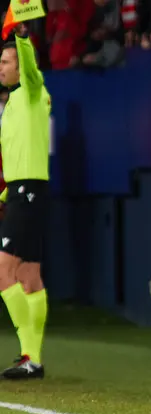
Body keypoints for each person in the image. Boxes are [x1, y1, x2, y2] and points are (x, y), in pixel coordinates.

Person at [0, 24, 52, 380]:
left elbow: (32, 67)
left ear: (21, 66)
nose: (0, 67)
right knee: (29, 277)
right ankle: (32, 358)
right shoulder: (14, 101)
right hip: (23, 191)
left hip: (28, 192)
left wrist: (21, 37)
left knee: (4, 272)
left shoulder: (33, 90)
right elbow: (21, 153)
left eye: (5, 62)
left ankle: (27, 351)